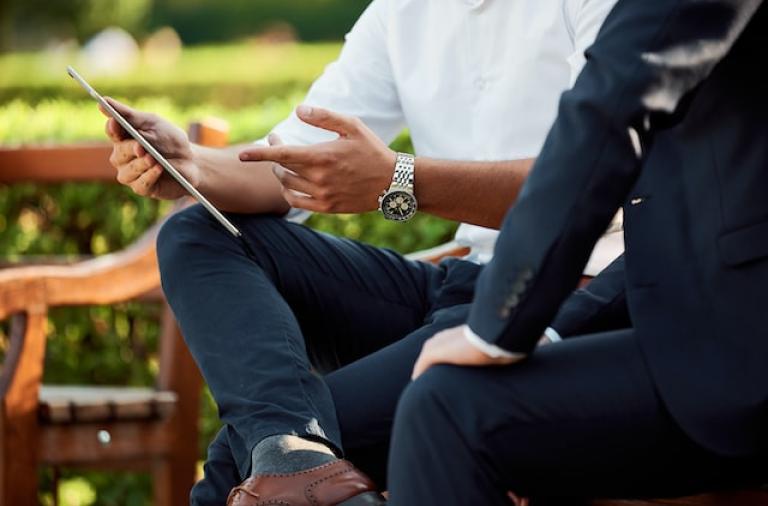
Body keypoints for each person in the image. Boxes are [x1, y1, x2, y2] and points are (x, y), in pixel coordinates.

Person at [103, 1, 622, 504]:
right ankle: (294, 454)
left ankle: (291, 457)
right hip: (459, 282)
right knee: (198, 234)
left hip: (567, 296)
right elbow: (291, 163)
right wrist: (190, 164)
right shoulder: (401, 11)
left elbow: (590, 182)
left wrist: (400, 180)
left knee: (237, 467)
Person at [384, 0, 768, 504]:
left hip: (740, 350)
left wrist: (497, 327)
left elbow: (609, 108)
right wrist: (548, 327)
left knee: (448, 409)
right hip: (702, 326)